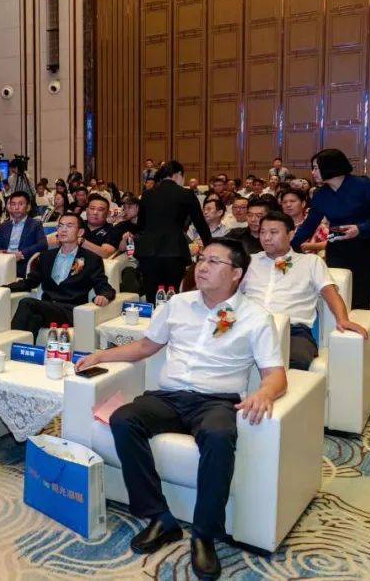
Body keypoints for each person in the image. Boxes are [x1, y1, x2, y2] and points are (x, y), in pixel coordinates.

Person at [75, 239, 286, 581]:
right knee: (124, 419)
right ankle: (159, 517)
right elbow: (146, 346)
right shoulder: (177, 304)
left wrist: (265, 393)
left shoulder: (256, 317)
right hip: (169, 396)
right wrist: (100, 355)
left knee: (219, 436)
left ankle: (205, 534)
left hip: (216, 401)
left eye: (214, 262)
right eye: (202, 259)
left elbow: (276, 374)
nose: (202, 266)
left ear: (236, 273)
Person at [241, 211, 368, 370]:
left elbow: (330, 293)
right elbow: (229, 294)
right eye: (262, 232)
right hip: (250, 326)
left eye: (273, 232)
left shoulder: (310, 262)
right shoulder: (250, 261)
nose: (266, 238)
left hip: (293, 331)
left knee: (296, 360)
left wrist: (343, 319)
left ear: (291, 234)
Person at [292, 148, 370, 310]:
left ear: (331, 167)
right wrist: (291, 246)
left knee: (360, 296)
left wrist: (360, 228)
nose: (312, 173)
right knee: (338, 290)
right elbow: (310, 224)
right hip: (337, 246)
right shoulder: (321, 194)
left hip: (367, 246)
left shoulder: (363, 185)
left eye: (316, 168)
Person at [7, 214, 114, 335]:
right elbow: (30, 282)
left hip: (71, 310)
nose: (63, 230)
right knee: (33, 319)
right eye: (60, 226)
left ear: (80, 232)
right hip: (48, 308)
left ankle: (10, 343)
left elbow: (104, 286)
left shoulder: (91, 259)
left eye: (69, 226)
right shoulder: (46, 256)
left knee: (27, 303)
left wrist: (104, 296)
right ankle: (21, 347)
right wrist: (5, 288)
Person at [134, 160, 212, 295]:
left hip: (148, 251)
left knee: (152, 293)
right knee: (173, 293)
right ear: (178, 174)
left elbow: (141, 225)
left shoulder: (147, 194)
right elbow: (200, 224)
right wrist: (210, 246)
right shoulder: (186, 194)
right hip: (174, 250)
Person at [0, 191, 47, 277]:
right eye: (13, 204)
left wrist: (22, 254)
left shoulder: (35, 225)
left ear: (28, 207)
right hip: (3, 262)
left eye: (20, 204)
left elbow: (43, 244)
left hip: (22, 264)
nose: (16, 207)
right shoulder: (4, 226)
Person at [278, 188, 327, 254]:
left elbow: (333, 243)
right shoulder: (278, 225)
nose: (288, 205)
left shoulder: (315, 225)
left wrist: (313, 246)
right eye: (284, 202)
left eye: (292, 201)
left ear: (303, 204)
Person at [80, 194, 116, 259]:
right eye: (92, 208)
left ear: (108, 213)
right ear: (87, 211)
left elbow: (106, 253)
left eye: (100, 210)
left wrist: (81, 241)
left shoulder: (112, 230)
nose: (95, 212)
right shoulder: (78, 224)